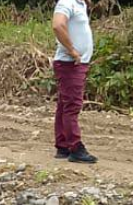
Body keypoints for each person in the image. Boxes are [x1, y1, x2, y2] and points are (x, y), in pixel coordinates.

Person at [51, 0, 97, 163]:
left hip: (74, 63)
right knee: (72, 105)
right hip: (70, 64)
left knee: (65, 104)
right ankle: (75, 147)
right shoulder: (67, 2)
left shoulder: (80, 3)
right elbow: (58, 25)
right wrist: (72, 50)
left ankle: (63, 144)